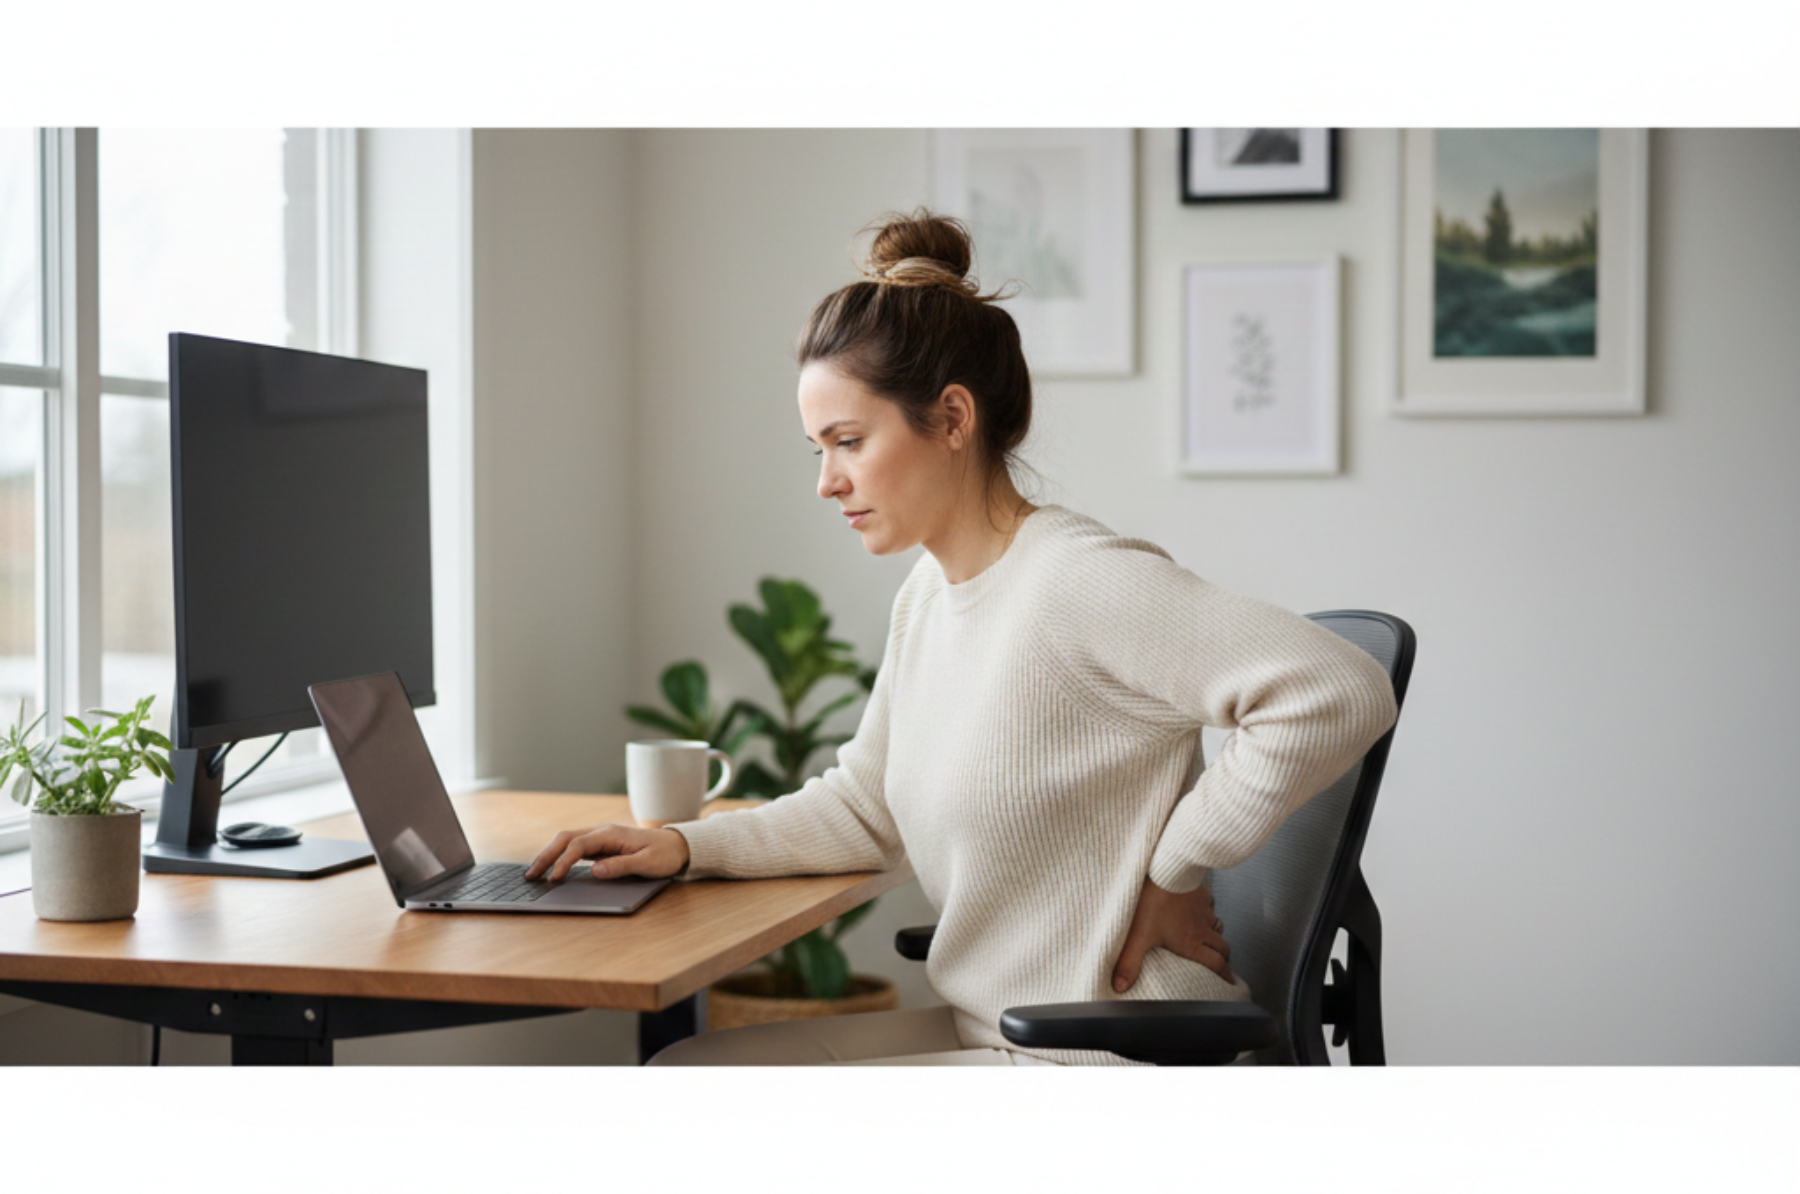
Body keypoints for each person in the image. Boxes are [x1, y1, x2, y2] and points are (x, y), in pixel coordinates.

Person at [526, 210, 1398, 1065]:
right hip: (996, 1028)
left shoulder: (1076, 578)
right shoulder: (931, 595)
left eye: (848, 442)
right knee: (693, 1074)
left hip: (1096, 1053)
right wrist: (685, 845)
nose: (826, 482)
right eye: (815, 449)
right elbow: (867, 808)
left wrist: (1175, 867)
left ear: (950, 419)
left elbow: (1337, 688)